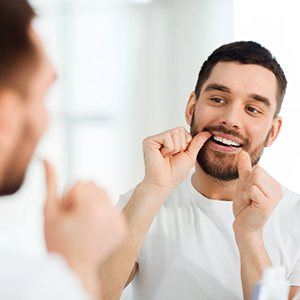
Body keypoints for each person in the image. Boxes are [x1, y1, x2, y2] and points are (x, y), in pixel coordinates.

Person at [100, 41, 300, 300]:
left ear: (272, 131)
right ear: (192, 108)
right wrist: (154, 189)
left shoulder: (295, 219)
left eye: (252, 109)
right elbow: (95, 293)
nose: (231, 119)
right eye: (218, 99)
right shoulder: (141, 205)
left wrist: (250, 238)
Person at [0, 1, 126, 299]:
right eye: (43, 93)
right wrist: (78, 269)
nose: (45, 120)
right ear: (4, 118)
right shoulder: (28, 286)